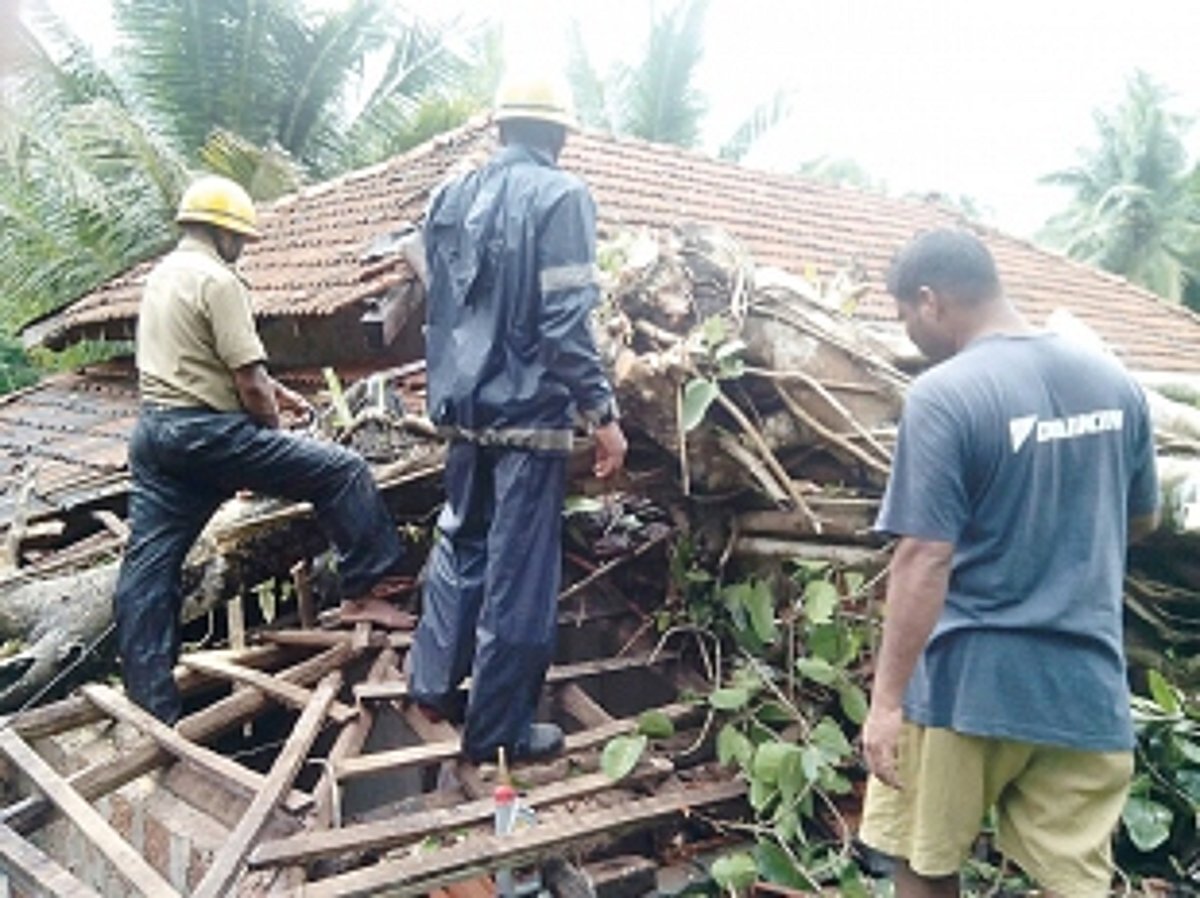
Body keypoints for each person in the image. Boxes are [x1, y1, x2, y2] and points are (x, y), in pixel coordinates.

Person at [859, 229, 1160, 897]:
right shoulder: (1116, 384)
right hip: (1086, 686)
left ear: (931, 301)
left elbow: (924, 556)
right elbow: (1141, 520)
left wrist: (886, 705)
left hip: (971, 681)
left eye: (904, 314)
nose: (906, 330)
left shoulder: (945, 395)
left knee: (926, 862)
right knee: (1075, 883)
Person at [114, 175, 410, 724]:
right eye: (241, 239)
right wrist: (269, 442)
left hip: (157, 434)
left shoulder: (163, 275)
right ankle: (366, 587)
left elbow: (207, 362)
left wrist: (279, 395)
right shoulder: (220, 281)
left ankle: (149, 701)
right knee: (343, 471)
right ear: (225, 233)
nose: (244, 248)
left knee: (148, 569)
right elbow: (248, 382)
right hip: (210, 434)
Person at [406, 71, 627, 764]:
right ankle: (499, 728)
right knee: (519, 575)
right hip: (531, 419)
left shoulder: (451, 193)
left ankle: (434, 684)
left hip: (464, 414)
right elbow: (564, 324)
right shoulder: (563, 196)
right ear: (560, 134)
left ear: (500, 127)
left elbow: (440, 304)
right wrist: (604, 413)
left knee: (460, 542)